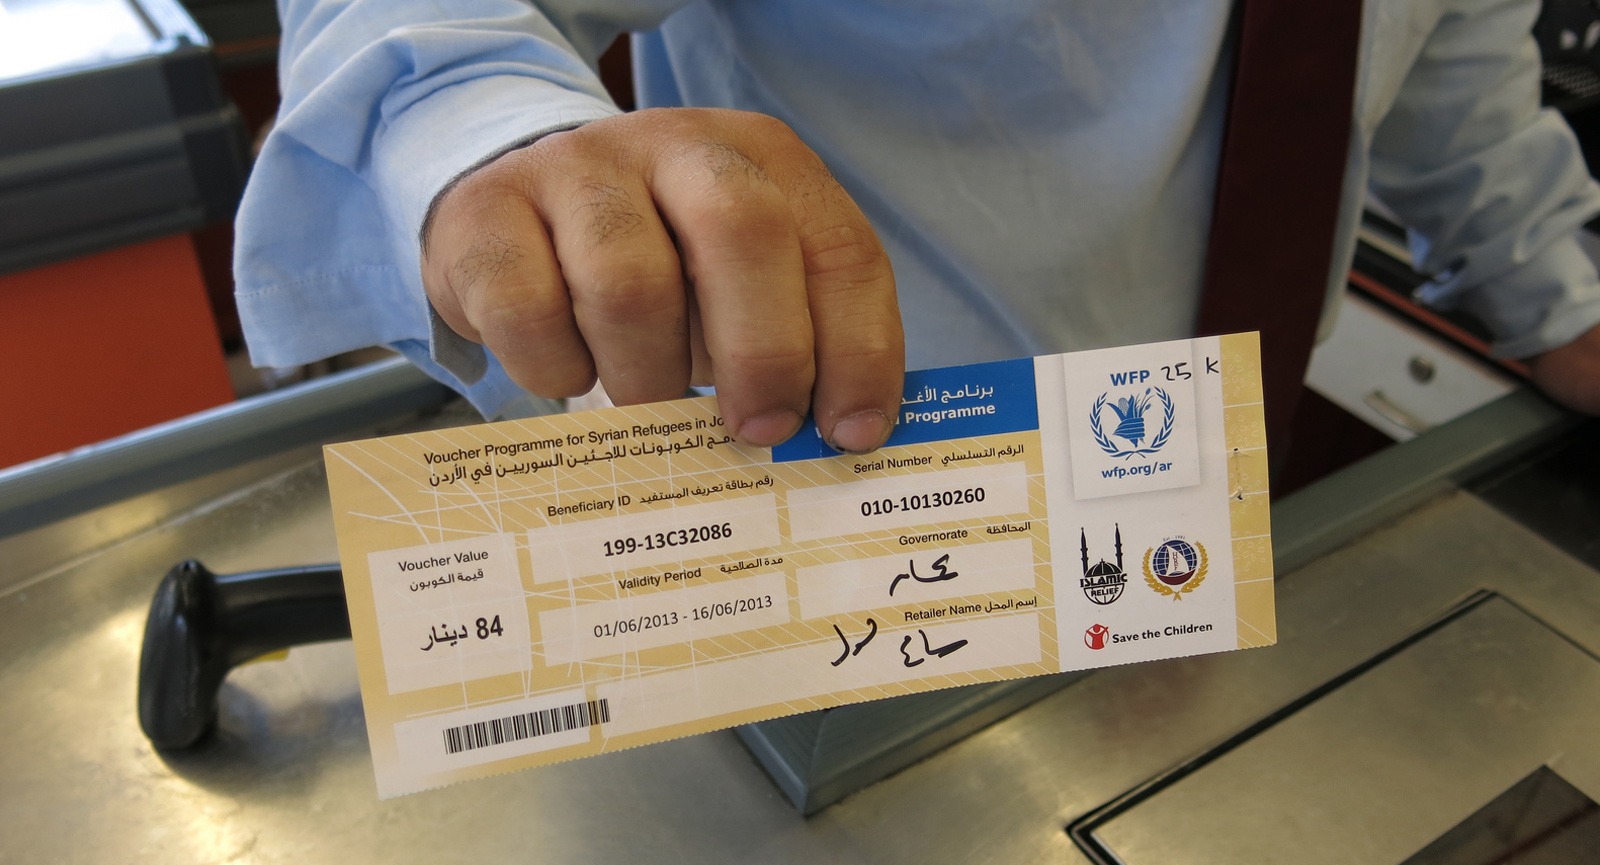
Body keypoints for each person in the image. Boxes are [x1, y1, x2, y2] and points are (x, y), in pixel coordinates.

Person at [236, 0, 1600, 454]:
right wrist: (498, 137)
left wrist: (1561, 302)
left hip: (1225, 468)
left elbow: (1454, 71)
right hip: (843, 483)